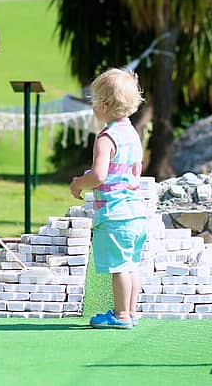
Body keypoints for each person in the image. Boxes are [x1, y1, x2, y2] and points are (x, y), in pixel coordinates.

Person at [69, 68, 148, 329]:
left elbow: (100, 175)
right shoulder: (133, 135)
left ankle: (121, 315)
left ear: (102, 105)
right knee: (130, 265)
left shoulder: (107, 138)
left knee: (119, 268)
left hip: (116, 215)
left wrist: (80, 183)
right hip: (136, 214)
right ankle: (131, 311)